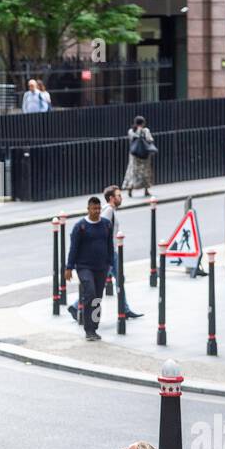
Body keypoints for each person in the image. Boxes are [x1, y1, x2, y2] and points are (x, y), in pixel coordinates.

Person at [65, 195, 114, 341]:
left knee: (97, 299)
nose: (97, 211)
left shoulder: (106, 224)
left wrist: (110, 263)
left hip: (102, 267)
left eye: (99, 208)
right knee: (90, 293)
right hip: (84, 267)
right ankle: (88, 329)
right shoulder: (80, 226)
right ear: (88, 209)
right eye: (94, 208)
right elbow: (73, 248)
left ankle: (95, 327)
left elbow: (109, 245)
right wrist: (69, 267)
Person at [102, 186, 143, 319]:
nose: (121, 198)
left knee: (119, 279)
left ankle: (124, 309)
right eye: (118, 195)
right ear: (111, 198)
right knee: (100, 282)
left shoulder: (109, 210)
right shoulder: (108, 211)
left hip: (111, 252)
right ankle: (76, 306)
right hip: (109, 253)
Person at [122, 115, 156, 197]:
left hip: (134, 155)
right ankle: (146, 190)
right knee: (145, 172)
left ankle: (130, 189)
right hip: (144, 155)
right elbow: (150, 139)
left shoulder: (131, 131)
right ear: (143, 123)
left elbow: (131, 138)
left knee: (133, 173)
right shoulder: (145, 130)